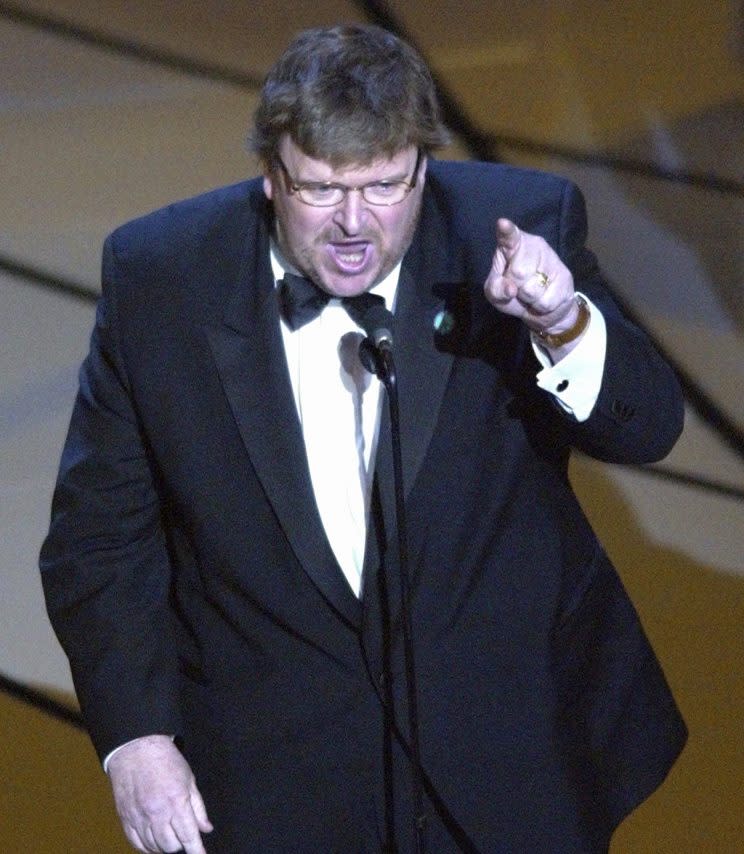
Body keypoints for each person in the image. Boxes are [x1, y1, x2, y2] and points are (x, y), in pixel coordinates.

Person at [40, 23, 687, 854]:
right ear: (271, 177)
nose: (353, 225)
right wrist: (137, 739)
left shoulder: (515, 229)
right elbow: (97, 540)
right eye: (319, 190)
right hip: (275, 774)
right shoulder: (160, 277)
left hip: (509, 760)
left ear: (424, 164)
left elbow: (650, 427)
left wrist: (561, 322)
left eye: (384, 187)